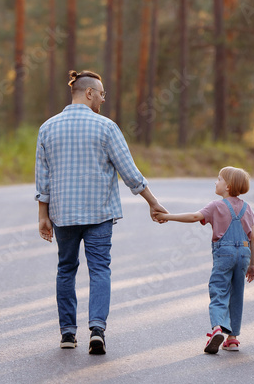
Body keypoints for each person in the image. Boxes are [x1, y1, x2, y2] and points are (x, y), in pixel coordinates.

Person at [36, 69, 167, 355]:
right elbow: (129, 172)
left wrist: (42, 215)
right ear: (89, 92)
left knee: (66, 270)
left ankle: (68, 334)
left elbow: (42, 178)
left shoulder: (47, 127)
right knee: (99, 270)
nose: (103, 100)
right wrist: (152, 201)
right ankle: (97, 329)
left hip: (63, 214)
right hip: (99, 214)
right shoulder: (106, 127)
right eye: (102, 94)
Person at [157, 166, 254, 354]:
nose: (215, 182)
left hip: (225, 254)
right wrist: (253, 264)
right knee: (237, 294)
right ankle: (233, 338)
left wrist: (167, 216)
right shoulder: (247, 207)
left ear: (227, 186)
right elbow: (253, 238)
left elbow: (195, 216)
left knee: (219, 291)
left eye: (218, 179)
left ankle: (217, 328)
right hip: (244, 254)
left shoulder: (216, 206)